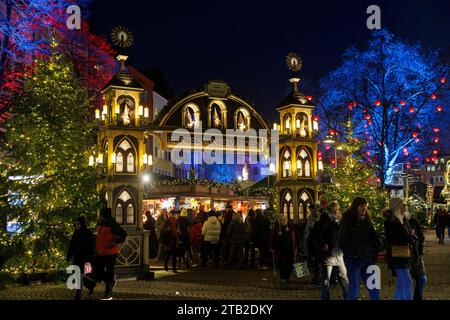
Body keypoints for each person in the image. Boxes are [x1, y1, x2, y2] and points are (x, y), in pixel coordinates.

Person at [338, 197, 381, 300]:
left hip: (368, 258)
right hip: (354, 260)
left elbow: (374, 237)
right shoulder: (347, 221)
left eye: (365, 206)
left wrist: (374, 253)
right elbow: (342, 240)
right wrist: (352, 254)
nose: (364, 209)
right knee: (354, 288)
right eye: (361, 206)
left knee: (374, 287)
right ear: (355, 207)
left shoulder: (367, 221)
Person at [313, 201, 348, 300]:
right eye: (335, 209)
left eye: (338, 209)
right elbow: (316, 233)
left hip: (338, 253)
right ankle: (325, 297)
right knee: (326, 278)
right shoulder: (325, 219)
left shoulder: (340, 220)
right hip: (328, 253)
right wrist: (323, 244)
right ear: (330, 209)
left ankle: (348, 296)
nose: (337, 211)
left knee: (343, 276)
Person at [383, 198, 413, 300]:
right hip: (396, 256)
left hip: (405, 255)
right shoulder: (390, 222)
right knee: (407, 282)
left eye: (405, 205)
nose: (405, 207)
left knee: (401, 283)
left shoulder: (403, 219)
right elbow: (393, 239)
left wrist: (410, 236)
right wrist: (409, 237)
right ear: (396, 206)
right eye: (402, 205)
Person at [95, 208, 127, 300]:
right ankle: (110, 282)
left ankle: (108, 291)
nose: (99, 217)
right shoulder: (101, 223)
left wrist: (115, 242)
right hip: (100, 252)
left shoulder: (113, 225)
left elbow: (123, 234)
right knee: (99, 271)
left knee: (109, 271)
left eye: (101, 215)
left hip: (110, 253)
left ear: (104, 216)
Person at [66, 215, 95, 300]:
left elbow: (91, 247)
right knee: (77, 274)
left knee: (79, 275)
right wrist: (69, 255)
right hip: (77, 257)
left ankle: (78, 295)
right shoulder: (76, 233)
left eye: (78, 224)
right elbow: (72, 246)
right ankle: (90, 284)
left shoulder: (88, 233)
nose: (77, 226)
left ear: (82, 224)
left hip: (84, 258)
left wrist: (90, 258)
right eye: (76, 224)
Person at [270, 214, 298, 285]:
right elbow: (272, 238)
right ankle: (283, 277)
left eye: (285, 219)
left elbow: (296, 236)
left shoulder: (291, 226)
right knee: (281, 263)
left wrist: (297, 245)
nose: (284, 221)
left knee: (290, 263)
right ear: (279, 221)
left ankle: (288, 277)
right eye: (282, 220)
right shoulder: (276, 228)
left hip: (290, 248)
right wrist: (272, 247)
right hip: (280, 249)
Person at [406, 209, 427, 300]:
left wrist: (420, 249)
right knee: (407, 282)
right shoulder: (395, 222)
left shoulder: (413, 221)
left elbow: (421, 236)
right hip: (404, 258)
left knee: (422, 279)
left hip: (416, 256)